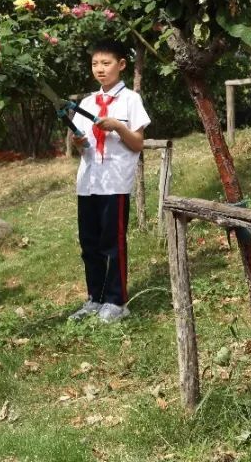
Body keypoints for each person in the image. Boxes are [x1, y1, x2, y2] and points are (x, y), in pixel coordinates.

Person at [68, 39, 150, 323]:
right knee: (89, 243)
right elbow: (83, 144)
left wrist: (117, 125)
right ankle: (95, 297)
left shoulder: (130, 100)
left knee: (112, 244)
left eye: (106, 63)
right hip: (88, 182)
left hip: (114, 182)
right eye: (95, 64)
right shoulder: (87, 102)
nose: (100, 70)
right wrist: (78, 142)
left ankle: (117, 300)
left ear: (121, 65)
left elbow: (138, 143)